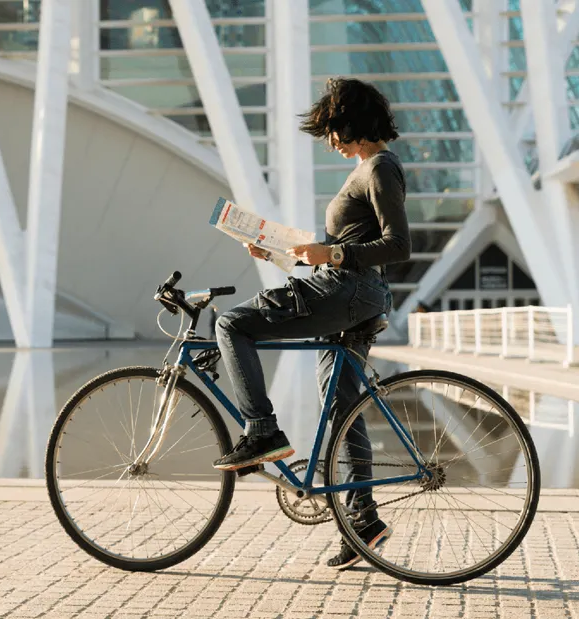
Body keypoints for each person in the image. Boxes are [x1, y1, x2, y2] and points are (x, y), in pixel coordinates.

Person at [211, 78, 410, 570]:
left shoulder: (380, 166)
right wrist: (281, 251)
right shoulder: (366, 169)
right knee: (342, 405)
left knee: (233, 326)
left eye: (332, 131)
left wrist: (333, 252)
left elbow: (398, 245)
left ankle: (262, 430)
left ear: (351, 124)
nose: (329, 142)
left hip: (350, 291)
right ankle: (363, 520)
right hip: (351, 292)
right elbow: (332, 254)